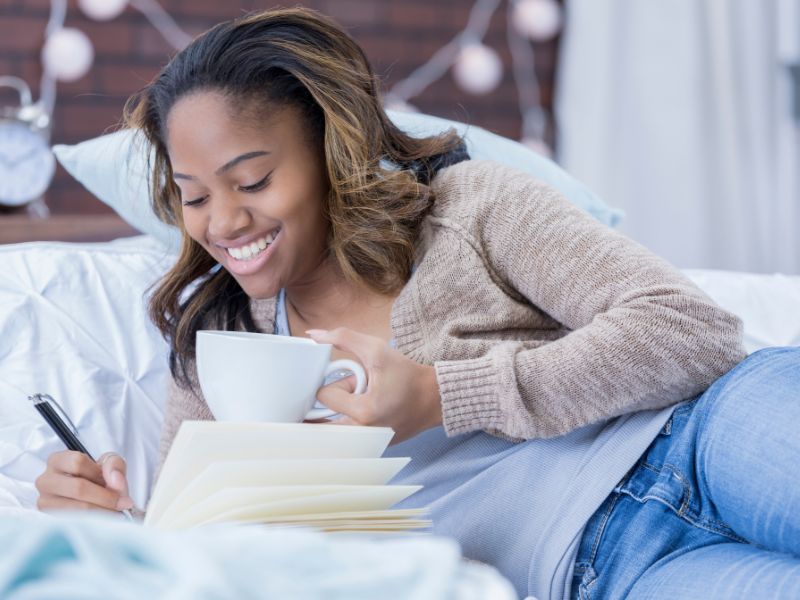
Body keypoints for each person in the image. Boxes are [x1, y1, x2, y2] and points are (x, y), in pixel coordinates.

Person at [34, 7, 799, 600]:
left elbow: (693, 328)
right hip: (596, 571)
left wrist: (441, 394)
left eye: (254, 181)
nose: (224, 223)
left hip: (702, 435)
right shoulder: (221, 346)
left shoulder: (467, 208)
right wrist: (109, 533)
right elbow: (214, 555)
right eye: (194, 197)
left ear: (332, 151)